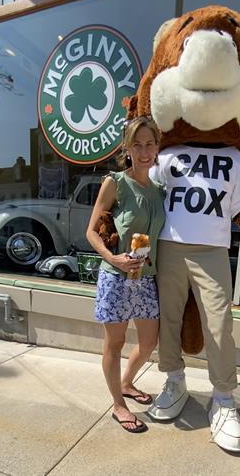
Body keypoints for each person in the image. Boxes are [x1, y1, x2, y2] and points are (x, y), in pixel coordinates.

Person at [86, 116, 165, 433]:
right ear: (127, 148)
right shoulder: (115, 182)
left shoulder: (159, 189)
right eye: (137, 144)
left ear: (158, 147)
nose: (144, 151)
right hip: (116, 278)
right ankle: (118, 404)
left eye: (150, 144)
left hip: (146, 279)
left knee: (148, 343)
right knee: (114, 345)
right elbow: (91, 232)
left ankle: (128, 382)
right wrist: (113, 258)